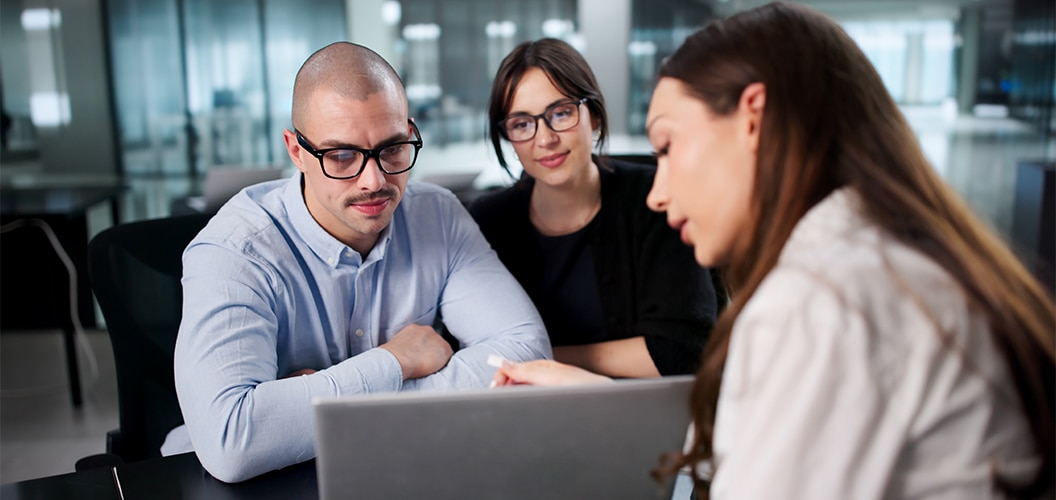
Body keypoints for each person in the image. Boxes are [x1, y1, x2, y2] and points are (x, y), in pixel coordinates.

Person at [493, 3, 1055, 498]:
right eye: (521, 124)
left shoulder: (819, 301)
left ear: (753, 119)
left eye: (667, 146)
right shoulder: (874, 260)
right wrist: (591, 391)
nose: (658, 192)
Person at [168, 41, 551, 483]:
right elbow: (232, 440)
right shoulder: (235, 250)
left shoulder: (437, 214)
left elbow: (525, 354)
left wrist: (315, 399)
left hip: (399, 470)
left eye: (392, 149)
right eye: (342, 156)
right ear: (296, 151)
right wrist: (394, 362)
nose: (375, 181)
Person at [469, 38, 717, 378]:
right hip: (523, 415)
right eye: (522, 124)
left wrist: (543, 362)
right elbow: (469, 349)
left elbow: (682, 350)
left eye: (561, 113)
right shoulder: (488, 221)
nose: (545, 139)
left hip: (640, 413)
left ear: (595, 116)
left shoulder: (655, 200)